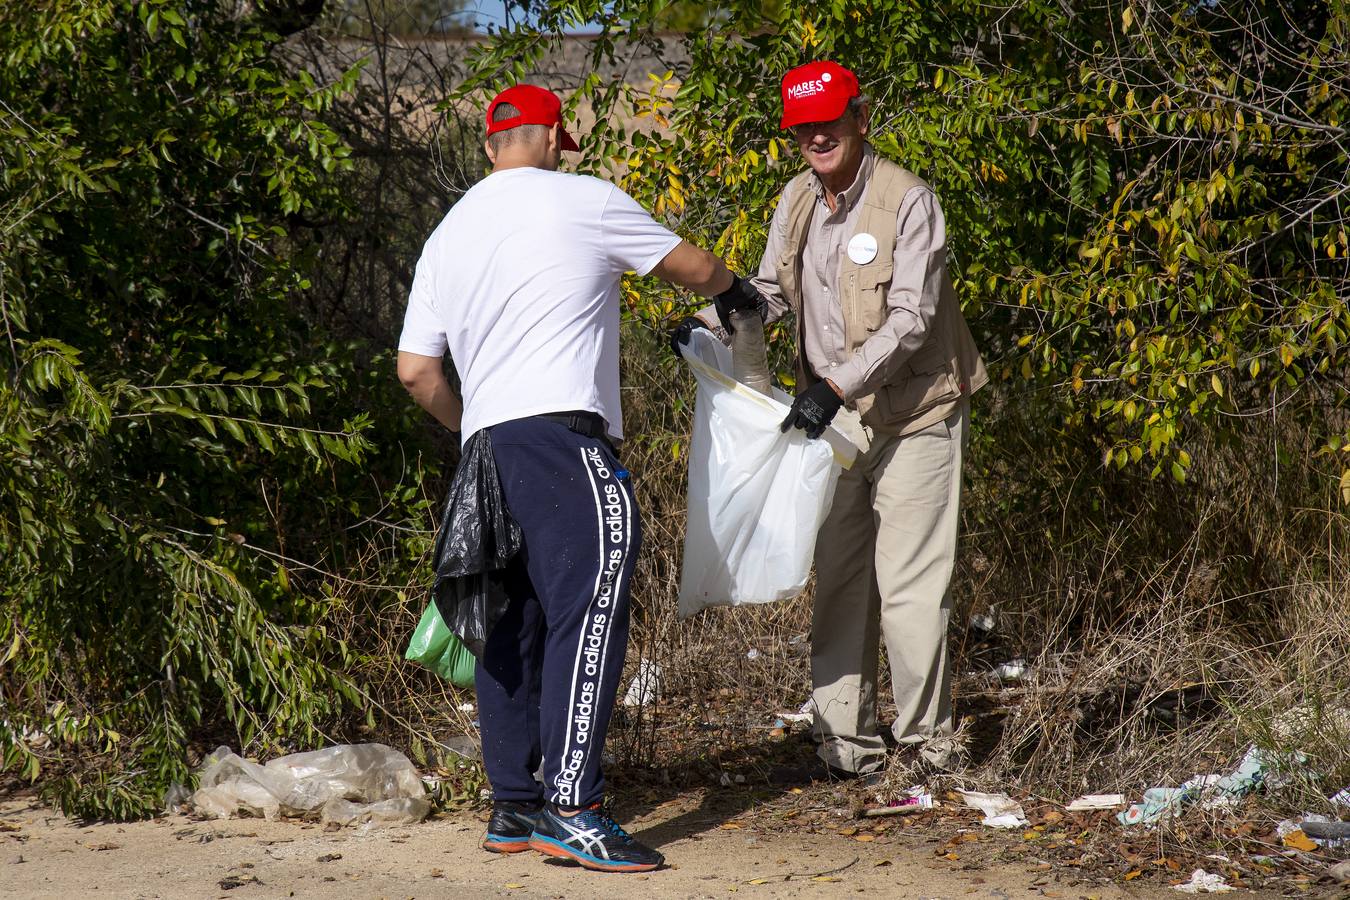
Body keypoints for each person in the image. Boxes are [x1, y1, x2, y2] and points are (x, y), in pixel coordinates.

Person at [397, 83, 755, 872]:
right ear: (555, 136)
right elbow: (691, 267)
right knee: (589, 611)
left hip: (487, 447)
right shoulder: (583, 198)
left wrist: (478, 427)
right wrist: (736, 292)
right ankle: (574, 809)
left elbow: (417, 370)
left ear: (492, 147)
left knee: (511, 625)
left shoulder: (448, 232)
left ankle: (513, 808)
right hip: (560, 436)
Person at [672, 61, 988, 777]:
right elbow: (770, 296)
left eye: (829, 122)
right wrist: (706, 324)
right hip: (837, 421)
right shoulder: (797, 200)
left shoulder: (909, 201)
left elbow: (912, 320)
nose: (817, 136)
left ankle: (927, 751)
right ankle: (848, 748)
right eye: (803, 128)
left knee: (909, 586)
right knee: (841, 581)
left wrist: (835, 386)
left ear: (860, 118)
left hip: (917, 412)